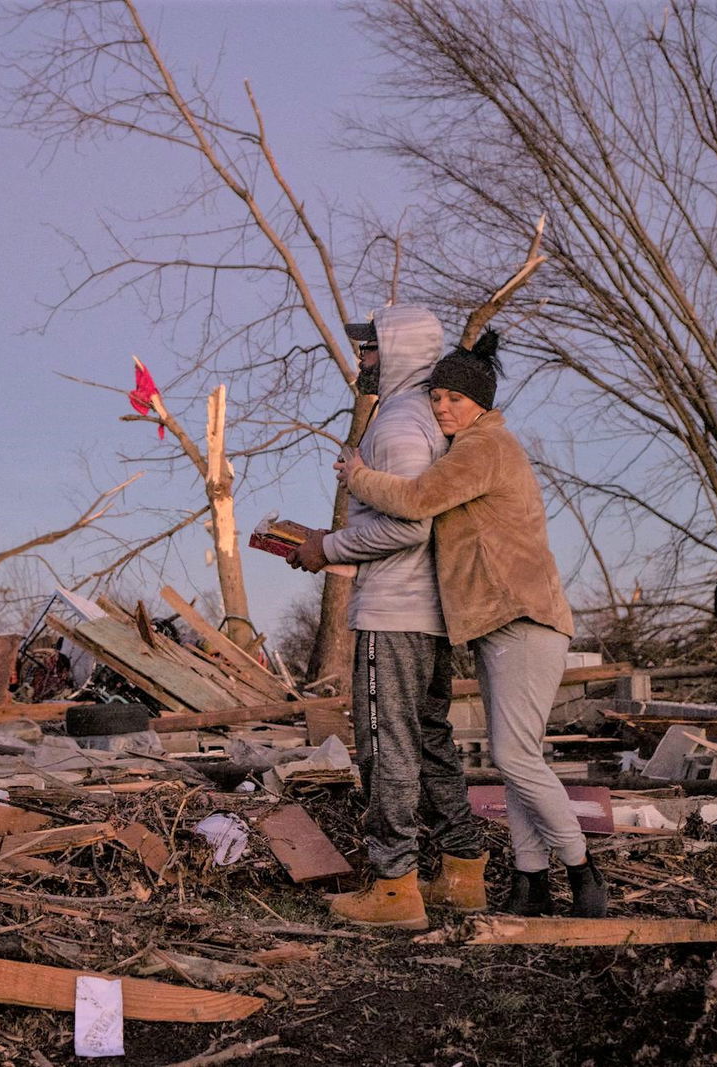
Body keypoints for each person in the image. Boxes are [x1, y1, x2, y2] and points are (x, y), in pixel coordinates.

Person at [335, 331, 608, 918]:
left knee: (513, 758)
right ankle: (531, 881)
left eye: (456, 399)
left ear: (481, 402)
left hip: (524, 620)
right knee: (519, 756)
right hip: (495, 623)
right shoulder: (471, 444)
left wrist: (356, 474)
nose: (441, 408)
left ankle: (583, 868)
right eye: (436, 397)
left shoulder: (484, 448)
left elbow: (414, 502)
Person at [288, 304, 487, 930]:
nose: (361, 361)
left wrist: (328, 549)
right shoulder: (426, 418)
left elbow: (408, 524)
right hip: (428, 612)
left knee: (386, 744)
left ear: (398, 352)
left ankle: (394, 887)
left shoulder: (399, 424)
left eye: (370, 350)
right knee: (429, 739)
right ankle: (461, 871)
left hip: (395, 612)